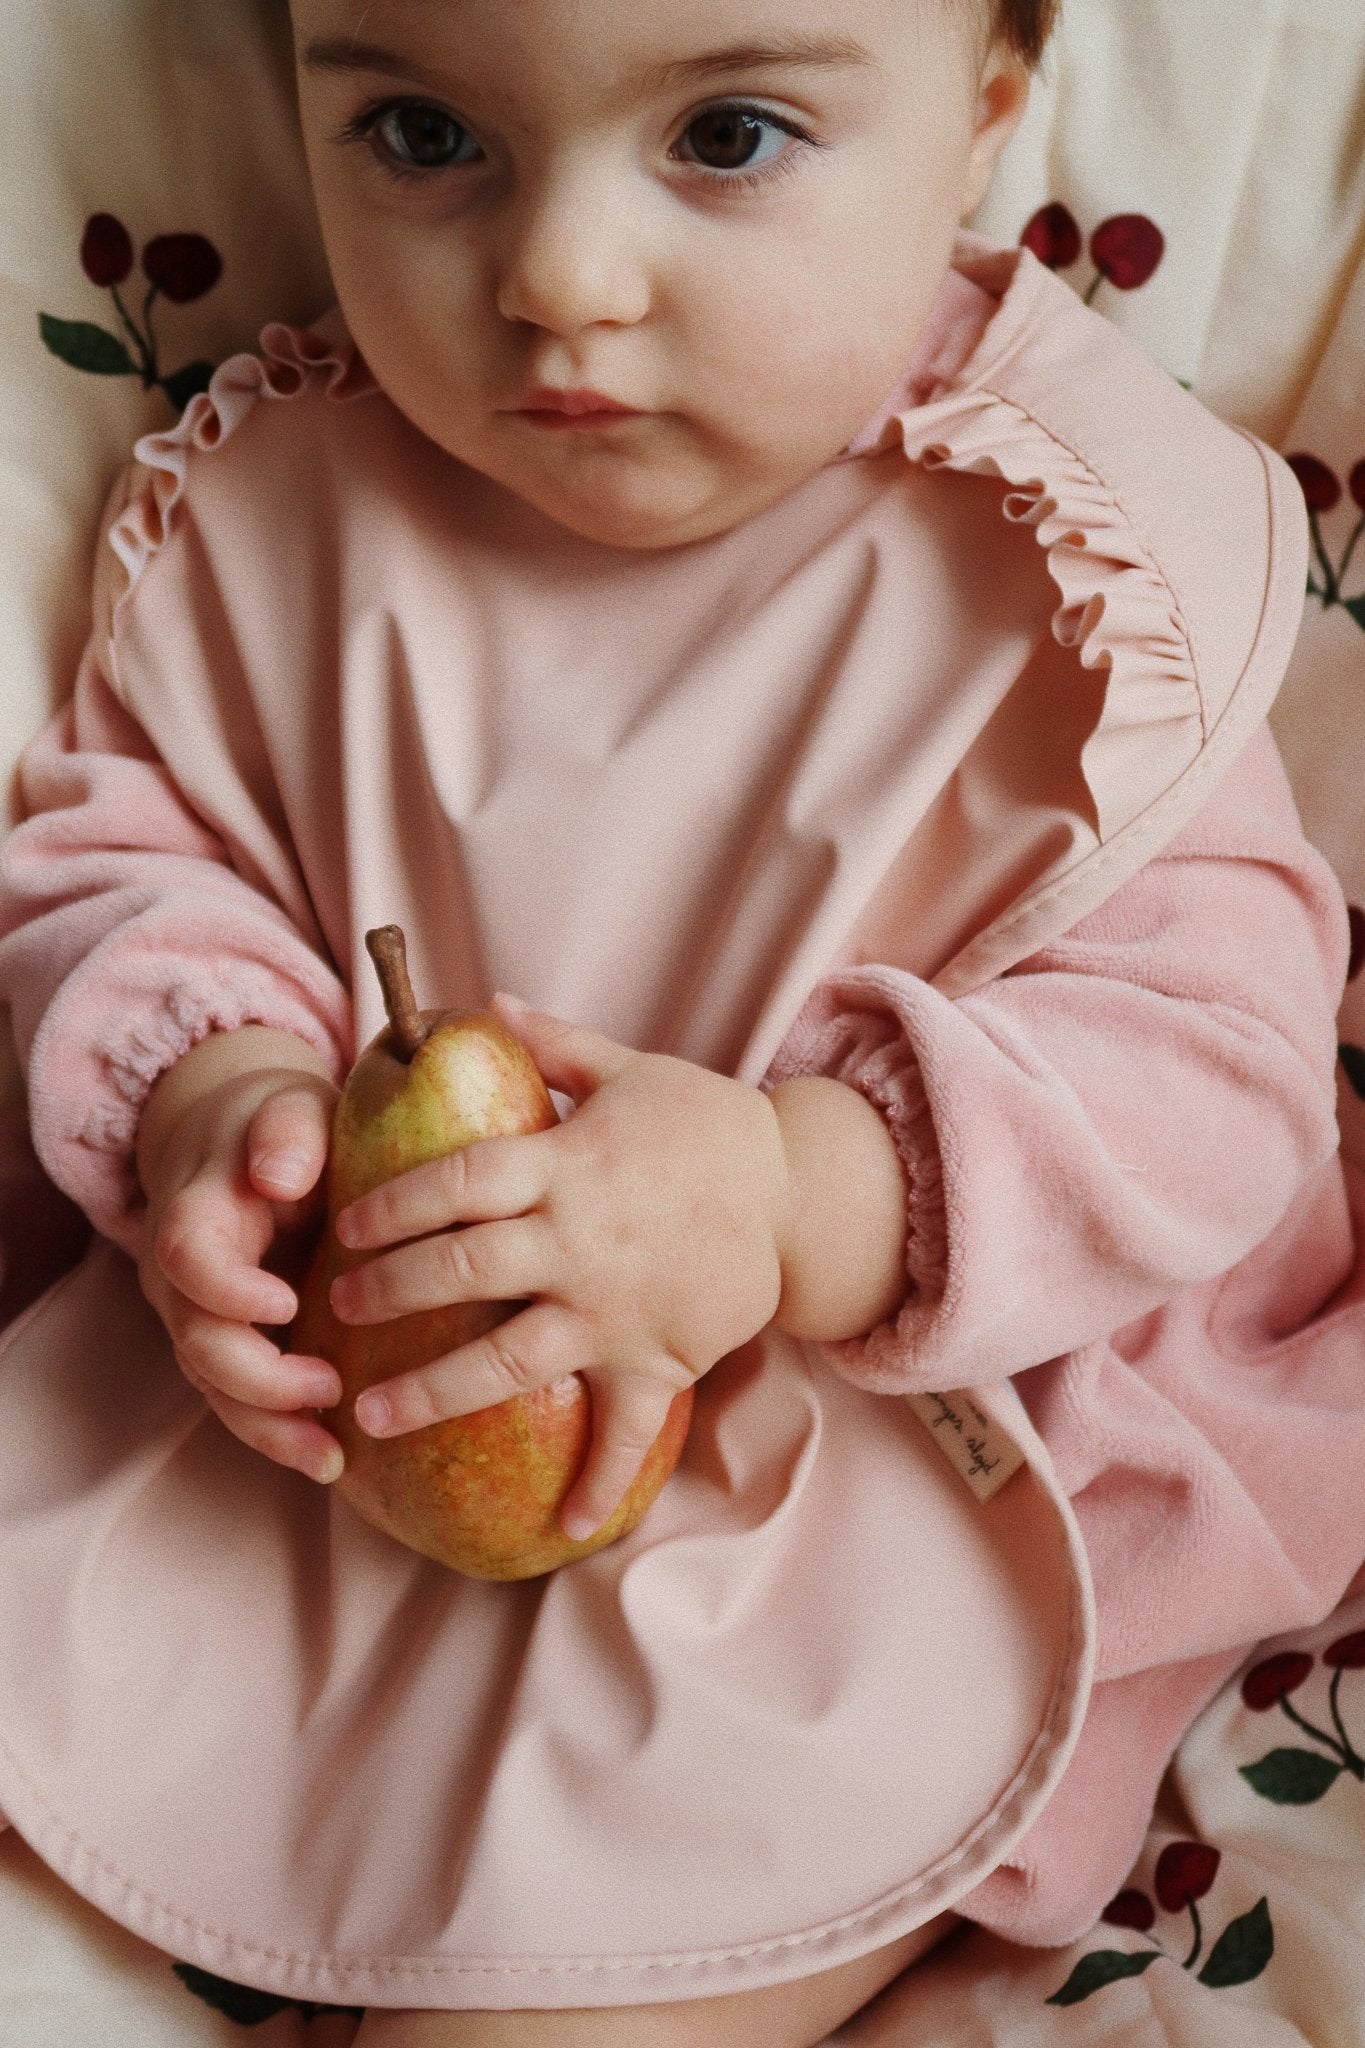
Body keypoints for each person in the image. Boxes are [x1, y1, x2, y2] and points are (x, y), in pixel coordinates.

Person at [0, 0, 1362, 2041]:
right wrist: (220, 1093)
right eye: (419, 134)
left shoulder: (1065, 547)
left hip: (904, 1451)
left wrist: (798, 1187)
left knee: (595, 1971)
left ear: (982, 114)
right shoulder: (291, 506)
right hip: (352, 1401)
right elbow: (131, 849)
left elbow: (1212, 1050)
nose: (555, 276)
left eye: (725, 134)